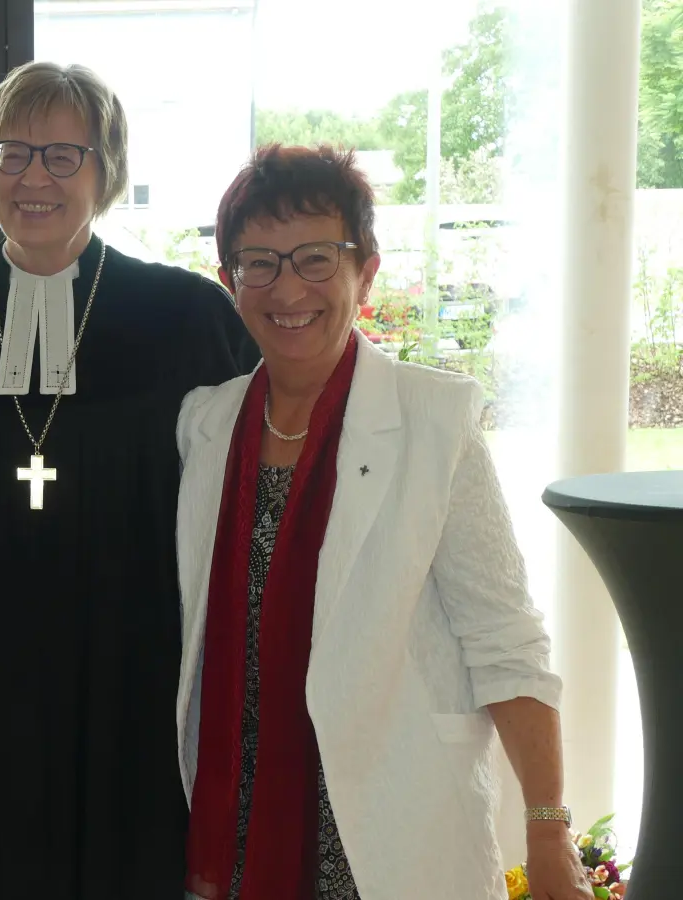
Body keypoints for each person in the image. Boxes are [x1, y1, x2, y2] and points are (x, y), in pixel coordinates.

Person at [0, 62, 257, 899]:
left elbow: (246, 506)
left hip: (134, 682)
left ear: (105, 171)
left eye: (61, 155)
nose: (32, 177)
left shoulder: (185, 318)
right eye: (11, 153)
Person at [175, 145, 592, 900]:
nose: (287, 288)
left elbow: (504, 639)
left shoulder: (434, 420)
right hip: (240, 821)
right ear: (229, 281)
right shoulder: (205, 425)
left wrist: (547, 826)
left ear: (365, 272)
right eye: (258, 263)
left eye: (315, 258)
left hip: (389, 822)